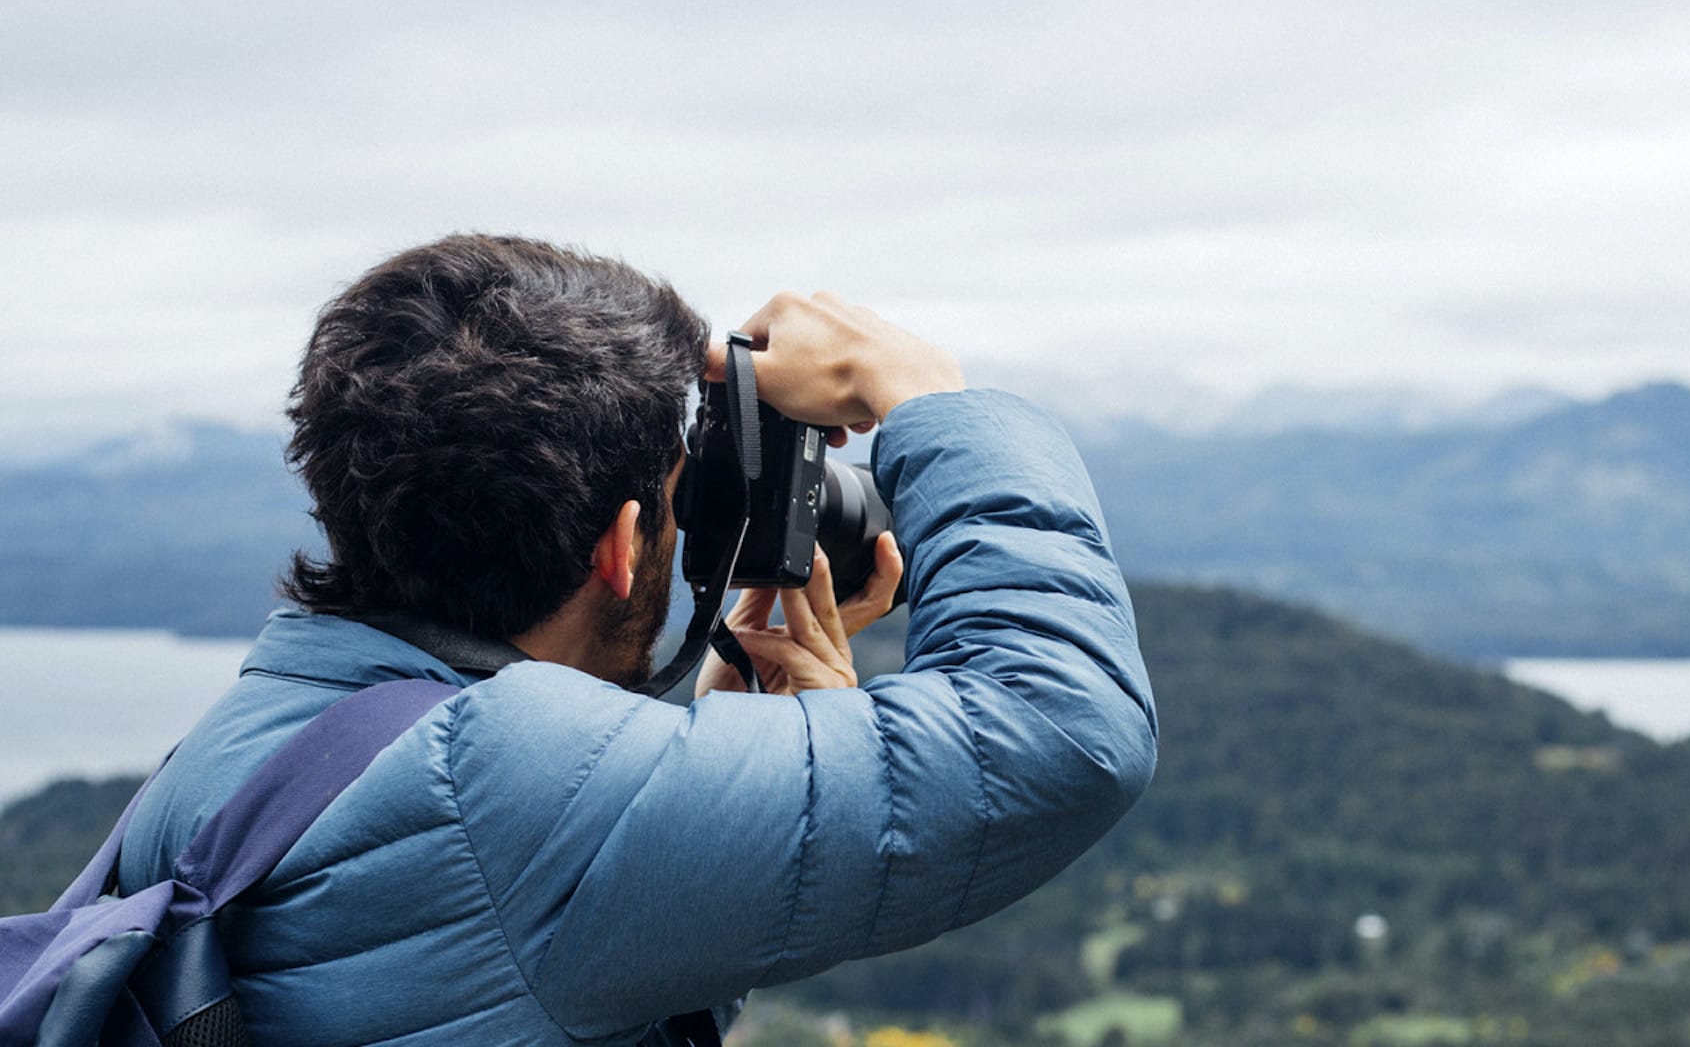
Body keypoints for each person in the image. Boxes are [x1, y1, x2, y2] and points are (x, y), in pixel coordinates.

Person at [118, 234, 1156, 1045]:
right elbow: (1063, 732)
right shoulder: (508, 791)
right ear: (622, 545)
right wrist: (929, 398)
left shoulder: (248, 741)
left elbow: (501, 979)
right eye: (674, 498)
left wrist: (729, 744)